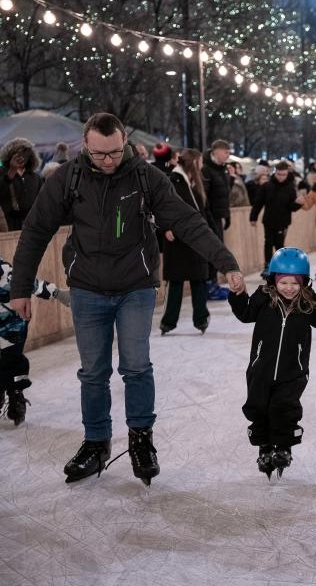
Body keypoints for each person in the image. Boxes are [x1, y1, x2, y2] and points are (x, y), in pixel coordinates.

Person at [9, 112, 245, 485]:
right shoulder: (69, 178)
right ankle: (96, 442)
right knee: (93, 373)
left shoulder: (144, 177)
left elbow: (186, 220)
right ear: (85, 145)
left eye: (115, 153)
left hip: (135, 286)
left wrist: (225, 263)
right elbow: (36, 229)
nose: (108, 161)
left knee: (136, 367)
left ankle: (140, 440)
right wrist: (20, 288)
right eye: (100, 154)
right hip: (87, 289)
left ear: (124, 144)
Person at [229, 248, 316, 479]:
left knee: (284, 408)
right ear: (274, 280)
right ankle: (265, 447)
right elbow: (245, 313)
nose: (289, 287)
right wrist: (238, 295)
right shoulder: (262, 298)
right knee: (259, 407)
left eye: (295, 283)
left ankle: (283, 447)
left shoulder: (308, 303)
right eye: (284, 282)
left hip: (293, 371)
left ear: (304, 283)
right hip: (260, 369)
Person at [0, 256, 70, 426]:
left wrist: (57, 293)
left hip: (11, 329)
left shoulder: (5, 271)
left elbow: (29, 283)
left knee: (13, 362)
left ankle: (16, 394)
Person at [158, 149, 212, 335]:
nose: (202, 165)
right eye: (201, 161)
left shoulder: (196, 182)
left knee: (199, 280)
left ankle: (201, 318)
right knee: (176, 282)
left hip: (196, 238)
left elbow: (204, 210)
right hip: (178, 240)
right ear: (194, 162)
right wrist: (166, 227)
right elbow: (161, 206)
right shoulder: (172, 180)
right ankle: (168, 321)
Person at [250, 161, 304, 273]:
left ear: (287, 174)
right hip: (268, 220)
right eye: (279, 174)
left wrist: (299, 203)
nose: (281, 177)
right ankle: (268, 265)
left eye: (284, 174)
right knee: (268, 242)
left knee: (279, 244)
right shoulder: (267, 186)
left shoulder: (290, 188)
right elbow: (258, 203)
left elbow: (291, 207)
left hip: (283, 222)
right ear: (275, 172)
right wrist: (253, 217)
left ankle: (279, 265)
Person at [202, 139, 233, 300]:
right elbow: (204, 196)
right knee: (213, 251)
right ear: (216, 151)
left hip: (218, 216)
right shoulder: (207, 170)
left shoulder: (222, 169)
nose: (228, 155)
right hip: (210, 217)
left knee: (218, 250)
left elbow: (224, 194)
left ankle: (213, 283)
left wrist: (226, 214)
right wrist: (209, 217)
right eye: (225, 152)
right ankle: (209, 285)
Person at [0, 137, 43, 231]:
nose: (22, 156)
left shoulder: (35, 177)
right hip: (7, 225)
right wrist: (11, 172)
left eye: (26, 153)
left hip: (31, 225)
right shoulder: (2, 172)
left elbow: (42, 200)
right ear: (10, 154)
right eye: (18, 153)